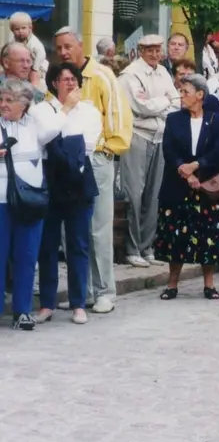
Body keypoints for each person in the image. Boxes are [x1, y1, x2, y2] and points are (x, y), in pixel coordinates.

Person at [54, 27, 133, 314]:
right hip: (67, 161)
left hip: (97, 157)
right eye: (59, 48)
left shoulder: (101, 75)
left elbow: (119, 114)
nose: (63, 52)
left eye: (67, 46)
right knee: (72, 230)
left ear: (80, 45)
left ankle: (105, 292)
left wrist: (109, 148)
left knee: (98, 228)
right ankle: (81, 292)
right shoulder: (60, 78)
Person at [154, 74, 219, 300]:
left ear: (200, 95)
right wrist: (185, 172)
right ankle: (172, 284)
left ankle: (209, 285)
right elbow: (169, 150)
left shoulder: (217, 120)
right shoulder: (173, 119)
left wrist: (197, 166)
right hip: (178, 185)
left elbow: (218, 152)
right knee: (176, 235)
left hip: (207, 185)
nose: (181, 95)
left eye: (185, 91)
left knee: (209, 234)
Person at [36, 63, 102, 325]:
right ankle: (47, 303)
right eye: (65, 79)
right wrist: (63, 112)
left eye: (74, 79)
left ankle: (78, 303)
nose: (71, 84)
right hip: (50, 182)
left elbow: (87, 145)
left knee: (78, 244)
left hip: (79, 179)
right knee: (48, 246)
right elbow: (44, 136)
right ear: (54, 83)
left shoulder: (89, 111)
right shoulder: (42, 110)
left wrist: (61, 142)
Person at [0, 77, 66, 329]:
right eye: (2, 99)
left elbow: (58, 123)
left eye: (10, 100)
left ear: (24, 104)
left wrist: (47, 97)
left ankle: (22, 312)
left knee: (27, 258)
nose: (3, 104)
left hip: (31, 202)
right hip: (1, 202)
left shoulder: (36, 124)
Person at [118, 34, 180, 267]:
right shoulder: (130, 74)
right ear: (141, 50)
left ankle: (147, 247)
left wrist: (160, 102)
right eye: (150, 50)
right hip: (138, 135)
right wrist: (163, 102)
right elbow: (140, 107)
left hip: (159, 136)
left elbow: (177, 101)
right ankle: (132, 248)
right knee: (134, 193)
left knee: (153, 195)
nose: (155, 54)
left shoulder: (163, 72)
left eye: (157, 50)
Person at [9, 11, 48, 82]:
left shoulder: (34, 42)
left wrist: (34, 69)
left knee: (36, 81)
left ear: (30, 28)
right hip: (24, 68)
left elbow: (41, 54)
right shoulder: (13, 41)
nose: (20, 31)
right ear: (12, 30)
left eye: (23, 28)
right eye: (17, 29)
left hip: (38, 66)